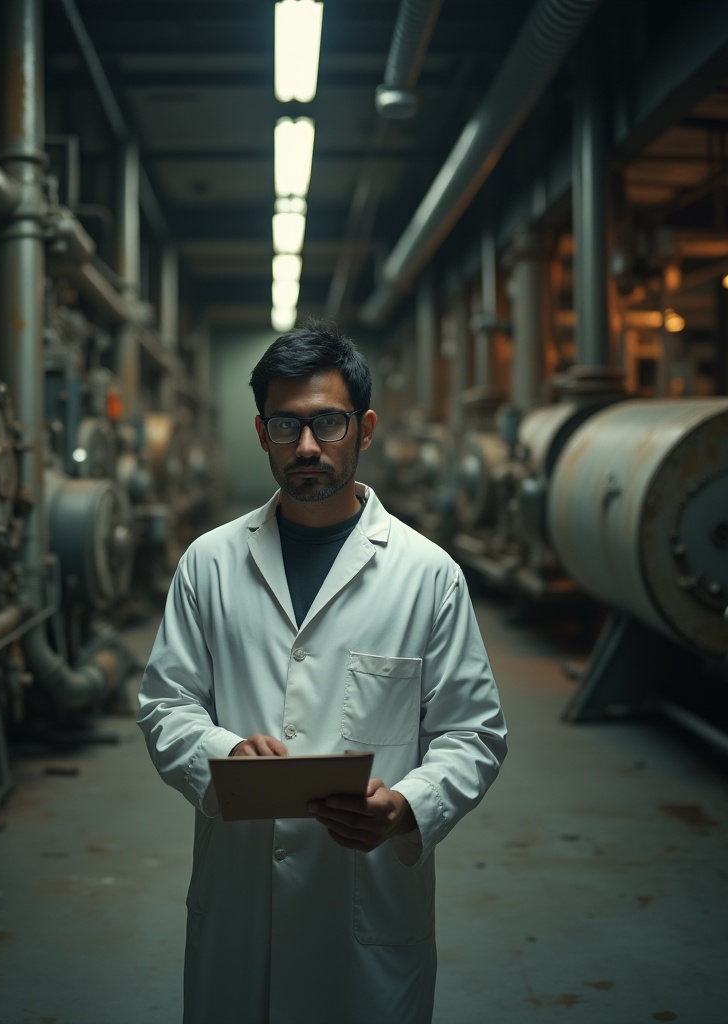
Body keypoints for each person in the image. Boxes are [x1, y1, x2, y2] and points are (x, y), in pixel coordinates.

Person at [136, 321, 507, 1024]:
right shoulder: (209, 563)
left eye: (327, 422)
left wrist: (407, 808)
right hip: (241, 892)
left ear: (363, 428)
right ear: (261, 432)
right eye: (287, 424)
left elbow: (474, 734)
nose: (307, 446)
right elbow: (165, 703)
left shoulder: (427, 575)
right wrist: (223, 753)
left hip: (363, 904)